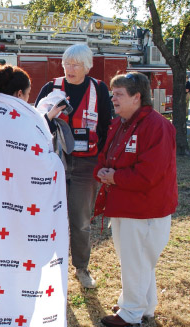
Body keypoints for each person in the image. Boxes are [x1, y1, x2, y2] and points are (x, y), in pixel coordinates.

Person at [0, 64, 69, 326]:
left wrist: (42, 116)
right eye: (29, 95)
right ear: (20, 94)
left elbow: (18, 150)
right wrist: (55, 160)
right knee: (22, 266)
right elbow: (39, 164)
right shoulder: (17, 117)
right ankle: (18, 313)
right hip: (21, 215)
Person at [93, 72, 178, 327]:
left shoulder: (157, 126)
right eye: (113, 93)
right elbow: (105, 156)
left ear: (137, 97)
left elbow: (148, 175)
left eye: (119, 94)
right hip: (126, 206)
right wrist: (104, 172)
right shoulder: (122, 123)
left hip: (145, 209)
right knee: (137, 260)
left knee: (136, 260)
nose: (113, 99)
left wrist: (113, 178)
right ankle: (144, 306)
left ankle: (131, 314)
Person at [35, 44, 112, 288]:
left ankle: (81, 268)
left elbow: (106, 126)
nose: (70, 68)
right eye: (67, 63)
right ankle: (47, 267)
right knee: (49, 217)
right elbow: (35, 123)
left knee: (80, 219)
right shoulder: (51, 88)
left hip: (86, 164)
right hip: (54, 162)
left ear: (87, 66)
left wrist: (101, 158)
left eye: (76, 64)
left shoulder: (99, 89)